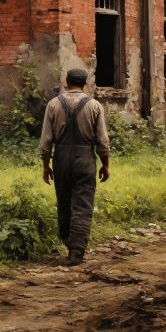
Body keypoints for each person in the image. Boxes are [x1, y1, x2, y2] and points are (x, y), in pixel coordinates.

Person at [39, 68, 111, 266]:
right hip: (85, 159)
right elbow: (103, 141)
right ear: (85, 83)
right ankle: (76, 250)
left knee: (64, 202)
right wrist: (105, 165)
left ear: (66, 81)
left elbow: (46, 140)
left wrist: (46, 166)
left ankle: (68, 241)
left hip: (61, 159)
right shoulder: (95, 106)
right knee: (82, 205)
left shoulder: (53, 104)